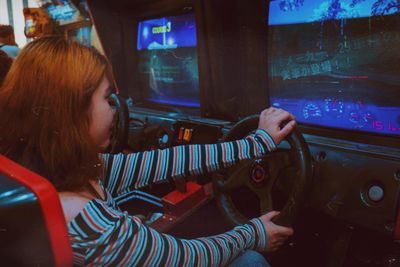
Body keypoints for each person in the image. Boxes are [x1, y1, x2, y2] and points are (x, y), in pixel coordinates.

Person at [0, 36, 296, 266]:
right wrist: (253, 234)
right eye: (107, 98)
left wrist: (255, 143)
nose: (117, 109)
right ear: (73, 112)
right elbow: (188, 258)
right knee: (251, 260)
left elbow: (164, 161)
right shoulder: (86, 221)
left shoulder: (59, 169)